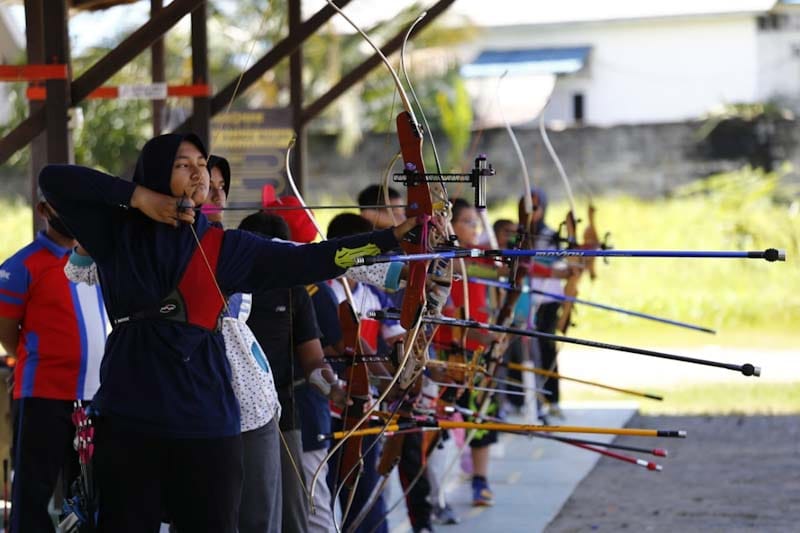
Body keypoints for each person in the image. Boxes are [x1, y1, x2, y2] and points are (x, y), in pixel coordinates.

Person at [37, 132, 416, 533]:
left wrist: (390, 238)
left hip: (206, 418)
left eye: (202, 164)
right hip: (129, 414)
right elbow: (54, 178)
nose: (199, 174)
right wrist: (139, 197)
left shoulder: (228, 246)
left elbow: (314, 259)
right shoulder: (115, 231)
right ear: (154, 173)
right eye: (184, 165)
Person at [0, 196, 108, 533]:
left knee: (91, 497)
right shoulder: (21, 265)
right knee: (33, 496)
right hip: (43, 397)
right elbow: (6, 332)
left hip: (95, 397)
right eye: (61, 204)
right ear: (43, 211)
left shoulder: (98, 261)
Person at [238, 211, 348, 533]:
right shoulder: (226, 284)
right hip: (227, 415)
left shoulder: (293, 288)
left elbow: (313, 361)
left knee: (294, 515)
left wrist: (335, 388)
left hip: (283, 414)